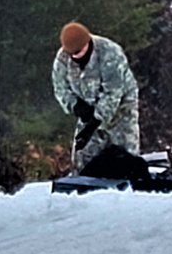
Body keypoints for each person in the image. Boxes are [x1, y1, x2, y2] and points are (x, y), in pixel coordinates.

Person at [52, 22, 140, 174]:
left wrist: (95, 122)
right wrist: (75, 105)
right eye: (72, 53)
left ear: (87, 43)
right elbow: (60, 88)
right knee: (82, 159)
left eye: (78, 51)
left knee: (126, 159)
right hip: (88, 110)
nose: (75, 56)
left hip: (120, 110)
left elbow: (113, 92)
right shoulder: (63, 58)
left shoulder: (110, 53)